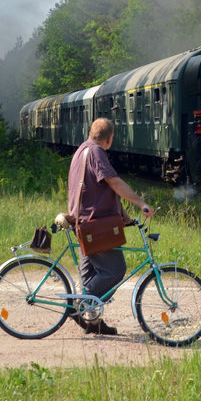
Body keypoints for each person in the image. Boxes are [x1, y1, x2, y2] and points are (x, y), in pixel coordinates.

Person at [67, 117, 154, 335]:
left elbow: (99, 190)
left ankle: (94, 322)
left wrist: (124, 217)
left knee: (90, 276)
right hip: (95, 226)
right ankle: (76, 307)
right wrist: (141, 202)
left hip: (84, 223)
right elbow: (113, 182)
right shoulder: (96, 152)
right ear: (110, 138)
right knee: (115, 270)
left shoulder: (81, 151)